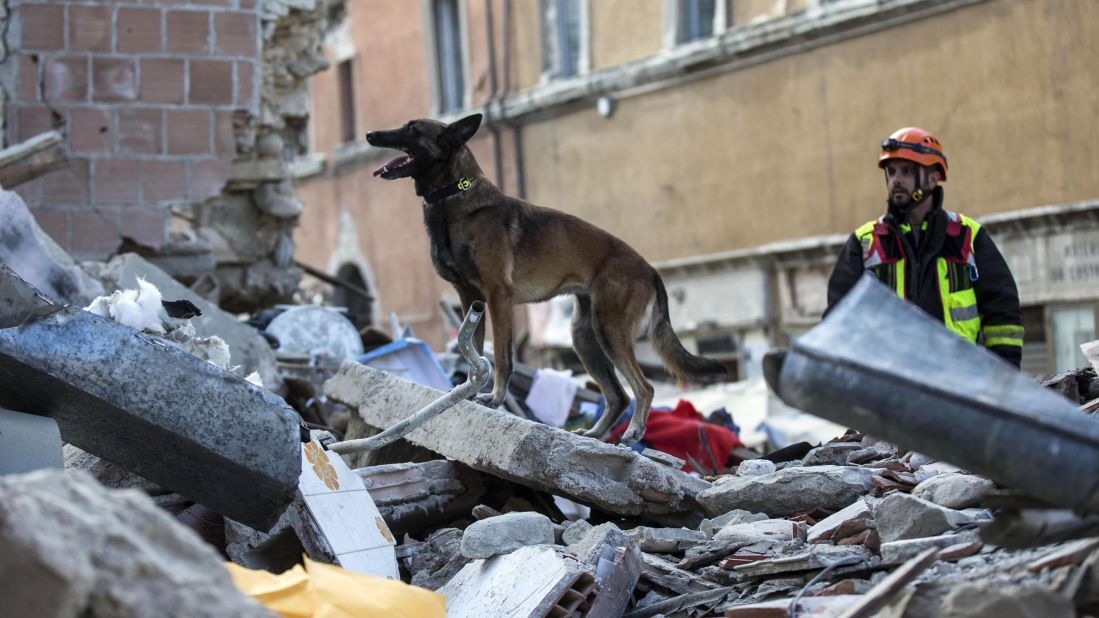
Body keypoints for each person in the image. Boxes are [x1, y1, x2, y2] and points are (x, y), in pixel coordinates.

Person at [825, 127, 1024, 367]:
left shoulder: (968, 237)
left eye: (907, 171)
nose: (896, 179)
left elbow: (1003, 314)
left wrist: (1003, 380)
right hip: (890, 386)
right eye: (892, 171)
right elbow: (839, 321)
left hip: (959, 384)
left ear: (933, 177)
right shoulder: (865, 243)